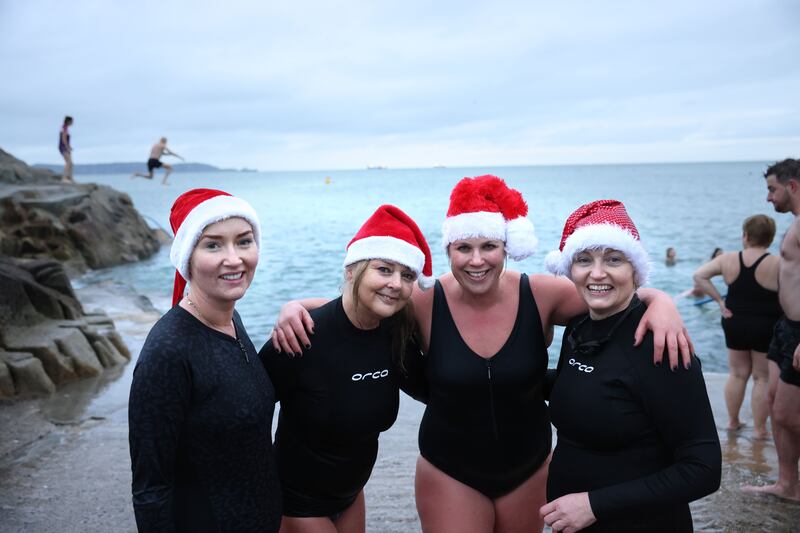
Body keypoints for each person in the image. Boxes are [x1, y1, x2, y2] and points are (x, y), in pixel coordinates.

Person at [273, 175, 693, 532]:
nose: (477, 260)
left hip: (530, 469)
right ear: (448, 252)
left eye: (489, 246)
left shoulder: (541, 295)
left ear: (506, 247)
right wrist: (294, 308)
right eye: (463, 248)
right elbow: (356, 306)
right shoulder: (423, 303)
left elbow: (609, 294)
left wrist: (661, 302)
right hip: (450, 471)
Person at [541, 199, 721, 532]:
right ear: (570, 269)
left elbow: (704, 469)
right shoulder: (581, 328)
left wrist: (594, 505)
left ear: (635, 270)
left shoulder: (661, 345)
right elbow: (585, 387)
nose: (597, 273)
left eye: (613, 259)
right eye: (584, 260)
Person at [260, 205, 431, 533]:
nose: (395, 284)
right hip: (294, 502)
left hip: (351, 497)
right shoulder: (301, 334)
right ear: (352, 271)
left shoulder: (395, 336)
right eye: (384, 269)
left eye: (407, 275)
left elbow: (435, 391)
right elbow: (248, 412)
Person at [128, 188, 281, 532]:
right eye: (213, 245)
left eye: (244, 241)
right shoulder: (169, 350)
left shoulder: (231, 320)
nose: (234, 258)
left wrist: (298, 308)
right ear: (187, 256)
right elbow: (150, 486)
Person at [742, 158, 800, 501]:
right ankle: (787, 484)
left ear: (793, 186)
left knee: (786, 414)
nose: (768, 198)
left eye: (772, 189)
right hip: (786, 328)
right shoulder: (794, 222)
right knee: (775, 402)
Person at [693, 215, 780, 439]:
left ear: (745, 236)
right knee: (762, 378)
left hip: (734, 321)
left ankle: (733, 422)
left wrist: (720, 302)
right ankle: (760, 430)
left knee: (737, 374)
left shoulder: (728, 259)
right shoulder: (777, 263)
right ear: (770, 238)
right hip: (766, 324)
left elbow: (699, 275)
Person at [59, 116, 74, 183]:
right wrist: (67, 147)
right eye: (71, 121)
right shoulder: (64, 128)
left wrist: (69, 146)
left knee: (71, 163)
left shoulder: (66, 128)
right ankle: (64, 178)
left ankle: (70, 178)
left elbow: (66, 139)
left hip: (65, 146)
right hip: (63, 147)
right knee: (68, 162)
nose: (72, 123)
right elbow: (64, 139)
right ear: (68, 121)